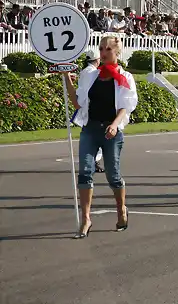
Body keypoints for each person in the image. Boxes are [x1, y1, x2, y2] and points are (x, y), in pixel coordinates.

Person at [64, 36, 138, 239]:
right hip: (90, 129)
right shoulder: (90, 75)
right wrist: (65, 78)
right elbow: (78, 102)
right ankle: (86, 218)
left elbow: (126, 106)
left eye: (108, 49)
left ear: (116, 52)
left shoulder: (124, 77)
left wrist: (115, 125)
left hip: (111, 131)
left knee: (113, 175)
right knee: (85, 172)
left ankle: (121, 209)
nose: (103, 52)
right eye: (101, 48)